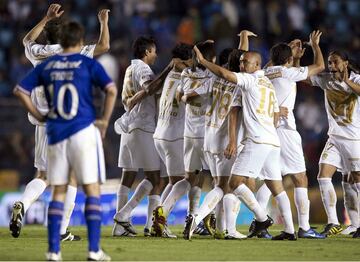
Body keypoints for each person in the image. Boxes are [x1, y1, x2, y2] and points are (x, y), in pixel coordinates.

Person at [14, 20, 117, 261]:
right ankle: (93, 251)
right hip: (81, 130)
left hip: (54, 130)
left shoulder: (45, 64)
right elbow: (111, 89)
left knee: (55, 186)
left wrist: (38, 114)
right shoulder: (84, 61)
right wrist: (103, 121)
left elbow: (20, 90)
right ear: (78, 41)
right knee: (90, 188)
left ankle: (53, 251)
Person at [187, 47, 297, 241]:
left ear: (256, 65)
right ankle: (289, 230)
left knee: (234, 183)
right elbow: (272, 115)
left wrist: (203, 61)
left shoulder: (249, 80)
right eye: (240, 62)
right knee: (276, 187)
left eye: (245, 62)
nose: (241, 65)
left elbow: (224, 74)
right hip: (272, 141)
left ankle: (262, 218)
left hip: (256, 140)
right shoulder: (268, 85)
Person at [256, 31, 325, 239]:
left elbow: (279, 68)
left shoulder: (266, 72)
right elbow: (320, 67)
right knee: (300, 178)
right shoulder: (287, 73)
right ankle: (304, 227)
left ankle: (260, 224)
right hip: (285, 131)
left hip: (267, 129)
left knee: (271, 179)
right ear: (286, 59)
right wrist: (315, 46)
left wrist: (290, 54)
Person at [112, 36, 175, 237]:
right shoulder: (143, 69)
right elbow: (150, 88)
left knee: (127, 176)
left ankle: (120, 227)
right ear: (147, 51)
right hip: (143, 126)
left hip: (128, 126)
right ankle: (132, 218)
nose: (156, 55)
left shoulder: (130, 68)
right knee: (156, 179)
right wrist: (169, 70)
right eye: (154, 51)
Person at [151, 40, 215, 238]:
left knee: (191, 177)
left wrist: (197, 48)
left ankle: (168, 218)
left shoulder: (176, 74)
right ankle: (186, 216)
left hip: (167, 133)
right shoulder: (210, 77)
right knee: (207, 180)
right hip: (183, 135)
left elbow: (181, 96)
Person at [310, 51, 360, 237]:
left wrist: (347, 82)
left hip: (354, 139)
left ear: (345, 63)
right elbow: (305, 78)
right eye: (329, 63)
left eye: (335, 62)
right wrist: (312, 50)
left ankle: (357, 224)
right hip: (334, 138)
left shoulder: (356, 78)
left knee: (354, 181)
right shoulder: (327, 80)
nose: (331, 66)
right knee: (323, 176)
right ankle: (333, 221)